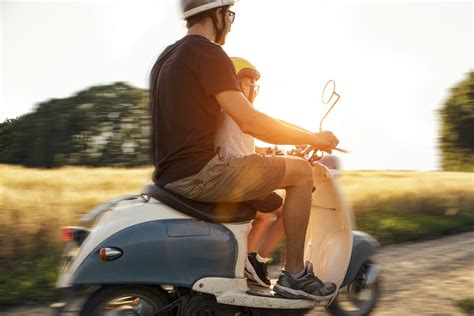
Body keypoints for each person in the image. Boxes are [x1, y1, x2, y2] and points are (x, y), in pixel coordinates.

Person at [149, 0, 339, 300]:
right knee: (301, 172)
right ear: (218, 14)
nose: (231, 21)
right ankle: (295, 274)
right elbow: (251, 121)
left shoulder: (167, 56)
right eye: (229, 14)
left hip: (167, 175)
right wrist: (313, 139)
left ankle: (250, 265)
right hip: (202, 174)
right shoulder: (209, 54)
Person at [214, 57, 285, 288]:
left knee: (263, 216)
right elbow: (245, 146)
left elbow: (239, 144)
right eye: (245, 82)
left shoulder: (230, 110)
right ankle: (258, 260)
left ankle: (248, 260)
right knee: (288, 212)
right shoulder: (237, 111)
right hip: (239, 178)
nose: (251, 87)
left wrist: (268, 150)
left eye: (253, 83)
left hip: (235, 177)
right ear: (232, 83)